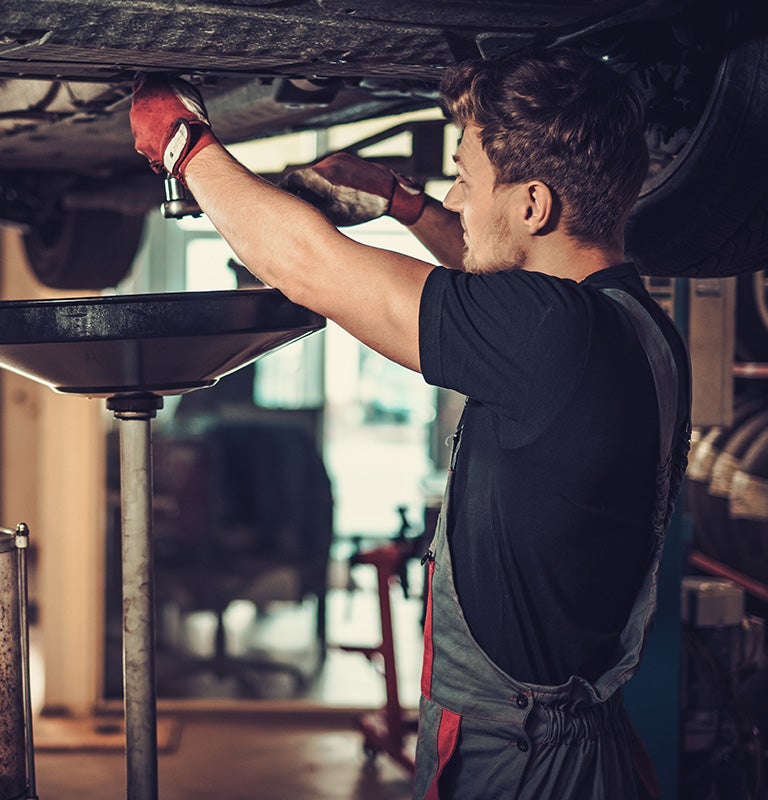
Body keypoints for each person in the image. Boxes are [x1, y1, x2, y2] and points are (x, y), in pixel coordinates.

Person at [130, 48, 691, 799]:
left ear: (532, 205)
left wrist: (185, 145)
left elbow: (311, 266)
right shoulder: (627, 324)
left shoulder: (552, 337)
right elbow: (489, 280)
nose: (456, 197)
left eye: (465, 177)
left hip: (523, 757)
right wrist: (405, 204)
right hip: (566, 735)